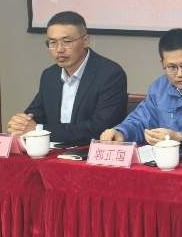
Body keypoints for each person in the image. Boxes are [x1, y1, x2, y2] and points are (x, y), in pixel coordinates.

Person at [7, 11, 127, 144]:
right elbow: (34, 115)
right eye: (52, 42)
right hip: (53, 150)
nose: (59, 49)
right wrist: (20, 124)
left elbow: (99, 128)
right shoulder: (50, 75)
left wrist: (38, 129)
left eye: (67, 42)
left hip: (89, 151)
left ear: (85, 41)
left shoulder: (110, 74)